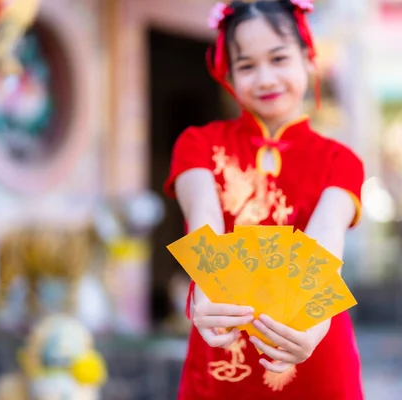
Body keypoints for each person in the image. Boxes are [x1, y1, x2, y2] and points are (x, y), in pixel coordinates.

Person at [164, 1, 365, 398]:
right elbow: (204, 216)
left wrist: (316, 318)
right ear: (228, 75)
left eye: (279, 58)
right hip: (225, 356)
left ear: (309, 58)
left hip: (314, 348)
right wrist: (205, 283)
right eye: (247, 66)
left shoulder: (341, 161)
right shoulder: (198, 144)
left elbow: (325, 239)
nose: (266, 78)